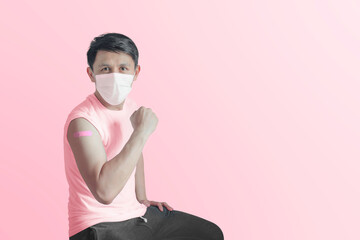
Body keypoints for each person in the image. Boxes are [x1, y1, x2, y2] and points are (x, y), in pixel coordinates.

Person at [63, 32, 224, 240]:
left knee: (209, 234)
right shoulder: (82, 122)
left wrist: (142, 199)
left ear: (135, 72)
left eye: (123, 68)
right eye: (105, 69)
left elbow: (135, 154)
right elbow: (104, 192)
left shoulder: (131, 108)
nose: (114, 76)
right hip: (97, 226)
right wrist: (141, 132)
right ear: (91, 73)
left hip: (136, 216)